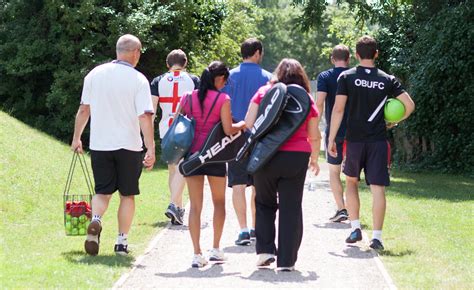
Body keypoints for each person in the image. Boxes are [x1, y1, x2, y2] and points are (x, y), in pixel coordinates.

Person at [71, 34, 155, 256]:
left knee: (102, 192)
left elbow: (83, 110)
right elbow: (144, 117)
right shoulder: (138, 80)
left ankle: (96, 220)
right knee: (127, 195)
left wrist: (76, 138)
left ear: (118, 50)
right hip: (129, 145)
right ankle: (121, 243)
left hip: (100, 144)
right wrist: (151, 147)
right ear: (136, 53)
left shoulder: (94, 75)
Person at [328, 35, 415, 250]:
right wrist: (392, 121)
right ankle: (377, 238)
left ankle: (355, 228)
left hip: (354, 141)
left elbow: (338, 109)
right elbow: (409, 105)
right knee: (378, 189)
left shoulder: (346, 77)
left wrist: (331, 138)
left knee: (351, 183)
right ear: (376, 54)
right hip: (378, 141)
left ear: (356, 55)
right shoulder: (387, 79)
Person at [245, 58, 321, 271]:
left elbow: (250, 123)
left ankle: (265, 251)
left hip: (266, 156)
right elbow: (314, 134)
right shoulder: (306, 97)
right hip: (296, 157)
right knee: (291, 207)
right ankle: (287, 261)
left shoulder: (263, 93)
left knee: (263, 203)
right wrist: (314, 159)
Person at [180, 61, 246, 268]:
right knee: (219, 202)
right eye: (225, 81)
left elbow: (178, 123)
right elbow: (228, 130)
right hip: (215, 156)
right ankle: (216, 249)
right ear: (219, 79)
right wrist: (243, 124)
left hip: (193, 157)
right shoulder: (222, 99)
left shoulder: (188, 98)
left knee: (195, 206)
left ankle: (196, 253)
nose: (225, 85)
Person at [223, 38, 272, 245]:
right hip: (260, 136)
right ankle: (255, 226)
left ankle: (243, 229)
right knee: (259, 184)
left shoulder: (229, 77)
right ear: (258, 52)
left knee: (238, 184)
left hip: (235, 134)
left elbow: (222, 106)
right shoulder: (269, 78)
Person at [150, 49, 200, 225]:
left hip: (167, 129)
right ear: (185, 63)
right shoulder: (194, 80)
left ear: (167, 63)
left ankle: (176, 207)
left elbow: (152, 109)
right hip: (187, 129)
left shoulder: (158, 81)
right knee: (182, 168)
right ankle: (175, 205)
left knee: (173, 169)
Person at [316, 45, 350, 222]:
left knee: (334, 171)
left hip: (334, 131)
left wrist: (314, 125)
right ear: (349, 58)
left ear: (332, 59)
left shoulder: (325, 77)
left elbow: (320, 102)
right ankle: (354, 211)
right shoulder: (353, 76)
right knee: (352, 174)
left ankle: (341, 209)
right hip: (355, 131)